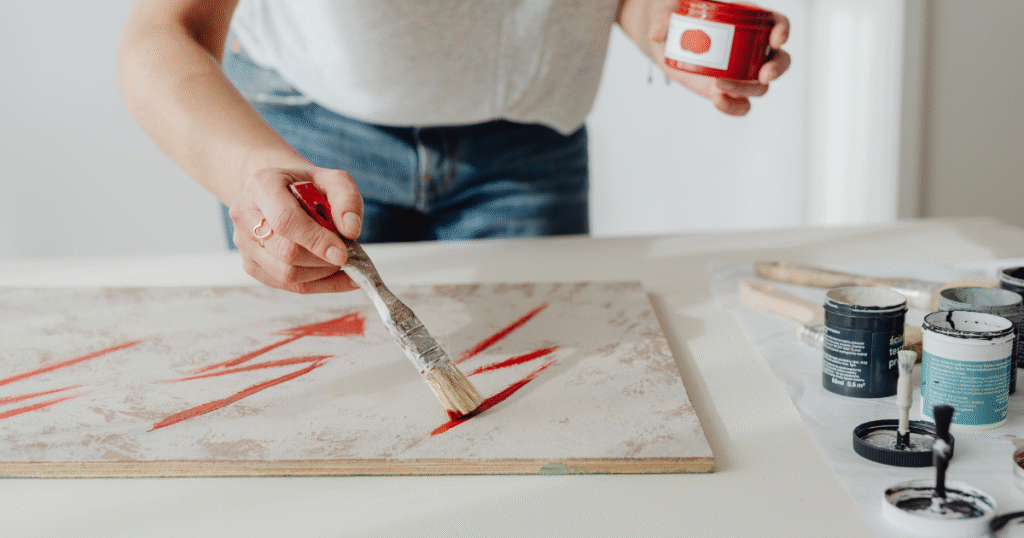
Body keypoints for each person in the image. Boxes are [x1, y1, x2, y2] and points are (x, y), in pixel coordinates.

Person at [118, 0, 790, 294]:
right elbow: (162, 31)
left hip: (526, 150)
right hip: (306, 139)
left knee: (533, 393)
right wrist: (251, 171)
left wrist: (659, 23)